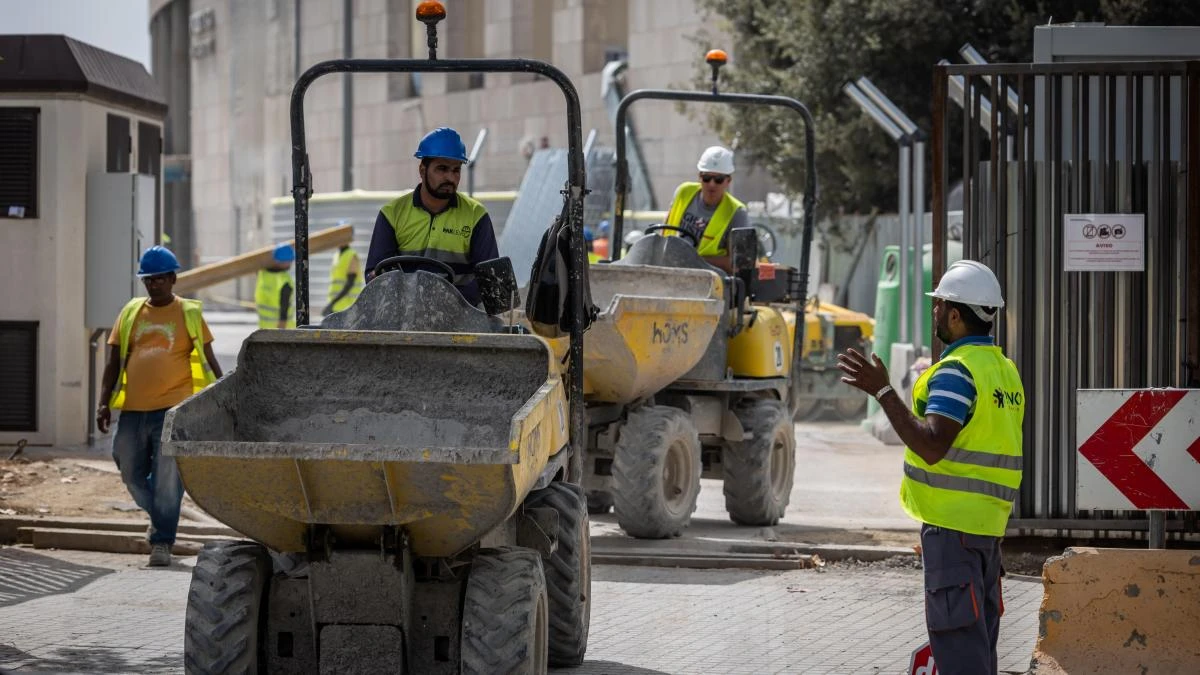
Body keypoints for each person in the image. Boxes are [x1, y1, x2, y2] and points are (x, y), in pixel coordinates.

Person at [836, 260, 1024, 675]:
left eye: (938, 305)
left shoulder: (957, 372)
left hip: (953, 531)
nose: (934, 312)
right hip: (986, 532)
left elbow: (932, 445)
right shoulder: (1004, 371)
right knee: (979, 649)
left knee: (959, 650)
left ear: (955, 315)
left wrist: (882, 391)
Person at [96, 245, 223, 567]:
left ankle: (162, 541)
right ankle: (161, 515)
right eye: (148, 280)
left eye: (159, 279)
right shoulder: (131, 312)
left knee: (168, 480)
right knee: (129, 471)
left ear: (172, 279)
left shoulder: (189, 314)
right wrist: (102, 403)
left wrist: (222, 399)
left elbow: (210, 361)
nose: (153, 285)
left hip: (172, 412)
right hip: (133, 410)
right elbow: (113, 362)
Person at [365, 127, 499, 306]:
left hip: (461, 320)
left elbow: (490, 280)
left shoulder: (476, 216)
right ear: (422, 170)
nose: (450, 177)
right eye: (442, 169)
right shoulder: (392, 214)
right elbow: (375, 275)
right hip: (402, 317)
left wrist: (447, 302)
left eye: (456, 170)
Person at [663, 145, 749, 272]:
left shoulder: (736, 213)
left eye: (718, 179)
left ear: (728, 181)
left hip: (710, 280)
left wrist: (692, 260)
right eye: (707, 178)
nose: (711, 184)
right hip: (668, 270)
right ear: (699, 177)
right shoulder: (683, 192)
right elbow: (665, 228)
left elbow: (737, 264)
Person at [323, 224, 363, 315]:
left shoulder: (351, 255)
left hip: (347, 307)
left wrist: (332, 303)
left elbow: (350, 283)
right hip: (337, 307)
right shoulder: (336, 255)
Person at [256, 244, 295, 328]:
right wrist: (282, 322)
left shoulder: (263, 274)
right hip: (282, 328)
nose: (291, 263)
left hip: (265, 327)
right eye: (290, 260)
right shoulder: (284, 280)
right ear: (284, 261)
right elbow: (285, 304)